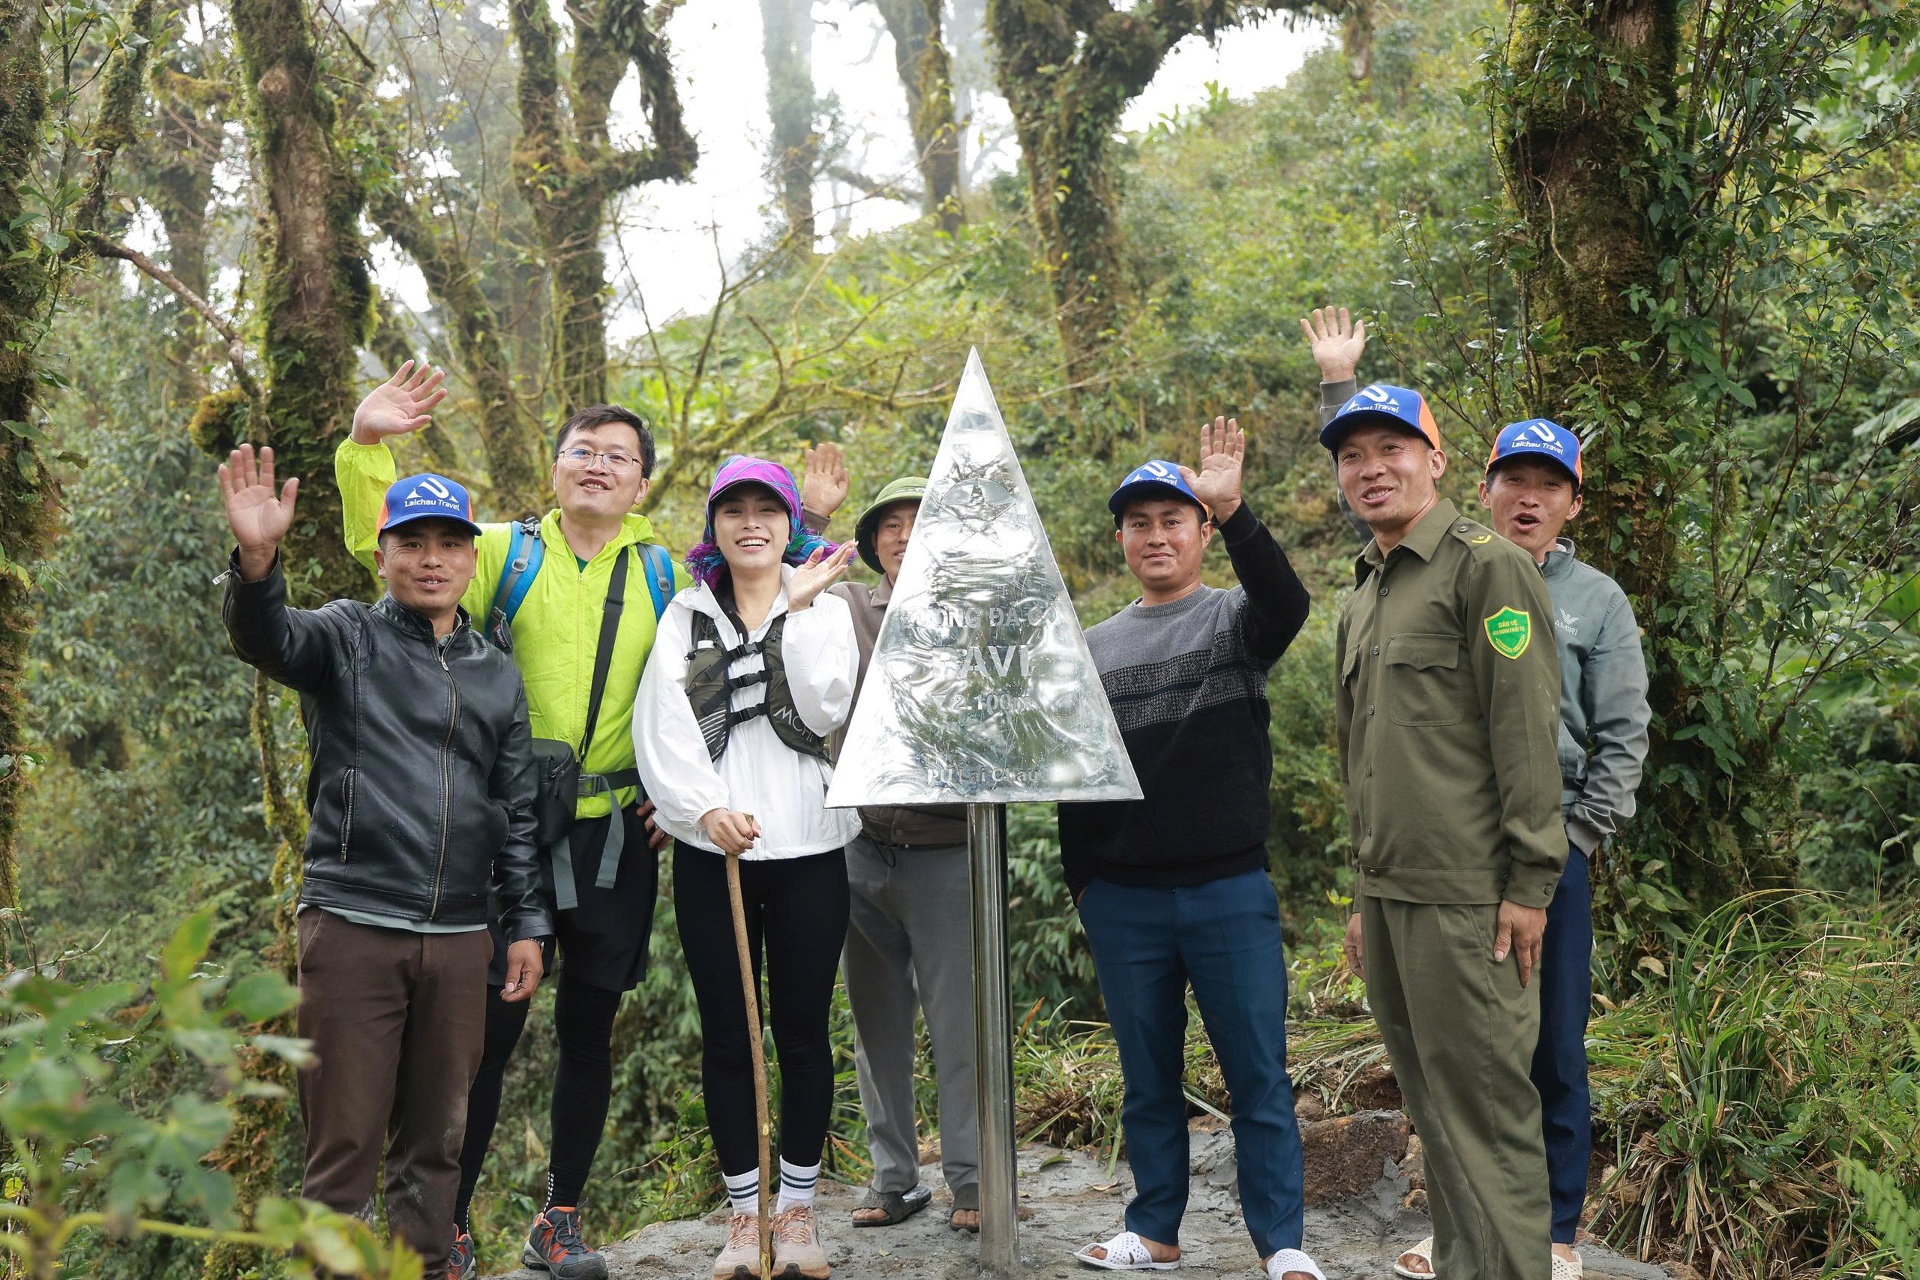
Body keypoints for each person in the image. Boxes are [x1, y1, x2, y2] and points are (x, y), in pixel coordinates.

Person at [336, 364, 687, 1280]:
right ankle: (441, 1229)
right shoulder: (502, 551)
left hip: (615, 836)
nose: (599, 466)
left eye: (619, 456)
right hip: (502, 838)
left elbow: (722, 667)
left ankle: (558, 1216)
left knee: (589, 1030)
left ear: (642, 483)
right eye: (584, 450)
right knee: (480, 1037)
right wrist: (369, 448)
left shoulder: (665, 573)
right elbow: (392, 542)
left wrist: (679, 790)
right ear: (556, 466)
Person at [219, 447, 551, 1280]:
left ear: (473, 558)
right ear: (383, 554)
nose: (430, 558)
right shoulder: (344, 637)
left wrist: (527, 928)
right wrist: (258, 564)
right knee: (343, 1151)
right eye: (412, 542)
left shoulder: (497, 676)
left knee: (437, 1148)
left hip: (460, 937)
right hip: (353, 924)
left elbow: (513, 815)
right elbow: (268, 637)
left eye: (448, 542)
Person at [1058, 420, 1324, 1280]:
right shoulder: (1092, 649)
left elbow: (1290, 602)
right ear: (1123, 540)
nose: (1156, 536)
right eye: (1139, 523)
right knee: (1147, 1077)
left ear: (1201, 532)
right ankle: (1154, 1230)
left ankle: (1281, 1246)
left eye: (1174, 519)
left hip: (1228, 887)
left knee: (1258, 1076)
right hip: (1124, 898)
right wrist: (1088, 887)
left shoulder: (1236, 621)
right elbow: (1079, 784)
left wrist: (1238, 507)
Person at [1392, 420, 1650, 1280]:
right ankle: (1465, 1226)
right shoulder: (1450, 575)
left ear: (1573, 502)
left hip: (1551, 848)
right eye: (1513, 480)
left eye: (1549, 484)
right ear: (1486, 486)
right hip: (1459, 847)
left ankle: (1557, 1231)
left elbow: (1620, 735)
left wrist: (1570, 846)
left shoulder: (1596, 599)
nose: (1527, 498)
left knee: (1551, 1042)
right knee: (1466, 1045)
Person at [1325, 382, 1569, 1280]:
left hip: (1472, 899)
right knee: (1434, 1109)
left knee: (1489, 1117)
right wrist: (1362, 895)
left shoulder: (1486, 566)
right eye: (1352, 456)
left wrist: (1528, 888)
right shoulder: (1368, 588)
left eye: (1391, 449)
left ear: (1434, 459)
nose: (1370, 469)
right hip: (1392, 897)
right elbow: (1362, 761)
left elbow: (1526, 738)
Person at [632, 456, 861, 1280]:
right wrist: (701, 808)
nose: (752, 523)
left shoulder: (825, 606)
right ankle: (741, 1219)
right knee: (729, 1037)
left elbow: (826, 705)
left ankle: (795, 1213)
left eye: (769, 509)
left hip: (808, 841)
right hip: (712, 851)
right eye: (735, 510)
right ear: (715, 527)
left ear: (790, 524)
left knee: (801, 1033)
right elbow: (661, 724)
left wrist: (797, 612)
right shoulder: (685, 615)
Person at [801, 448, 980, 1233]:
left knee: (961, 1024)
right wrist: (811, 521)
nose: (905, 536)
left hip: (950, 851)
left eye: (920, 523)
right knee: (875, 1024)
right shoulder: (845, 608)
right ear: (873, 543)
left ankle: (974, 1182)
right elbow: (780, 593)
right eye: (891, 527)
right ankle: (896, 1178)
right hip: (860, 846)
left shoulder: (978, 613)